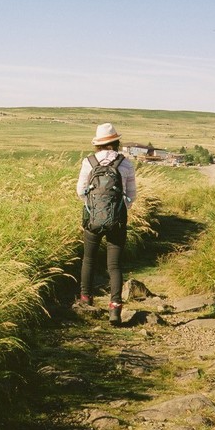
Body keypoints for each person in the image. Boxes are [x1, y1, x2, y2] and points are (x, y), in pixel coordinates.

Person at [76, 123, 137, 324]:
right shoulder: (125, 164)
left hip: (92, 219)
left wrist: (93, 207)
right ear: (116, 142)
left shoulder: (89, 162)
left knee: (89, 260)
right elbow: (132, 195)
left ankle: (86, 300)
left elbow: (80, 191)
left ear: (98, 144)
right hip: (117, 220)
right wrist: (118, 208)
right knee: (114, 265)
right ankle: (115, 308)